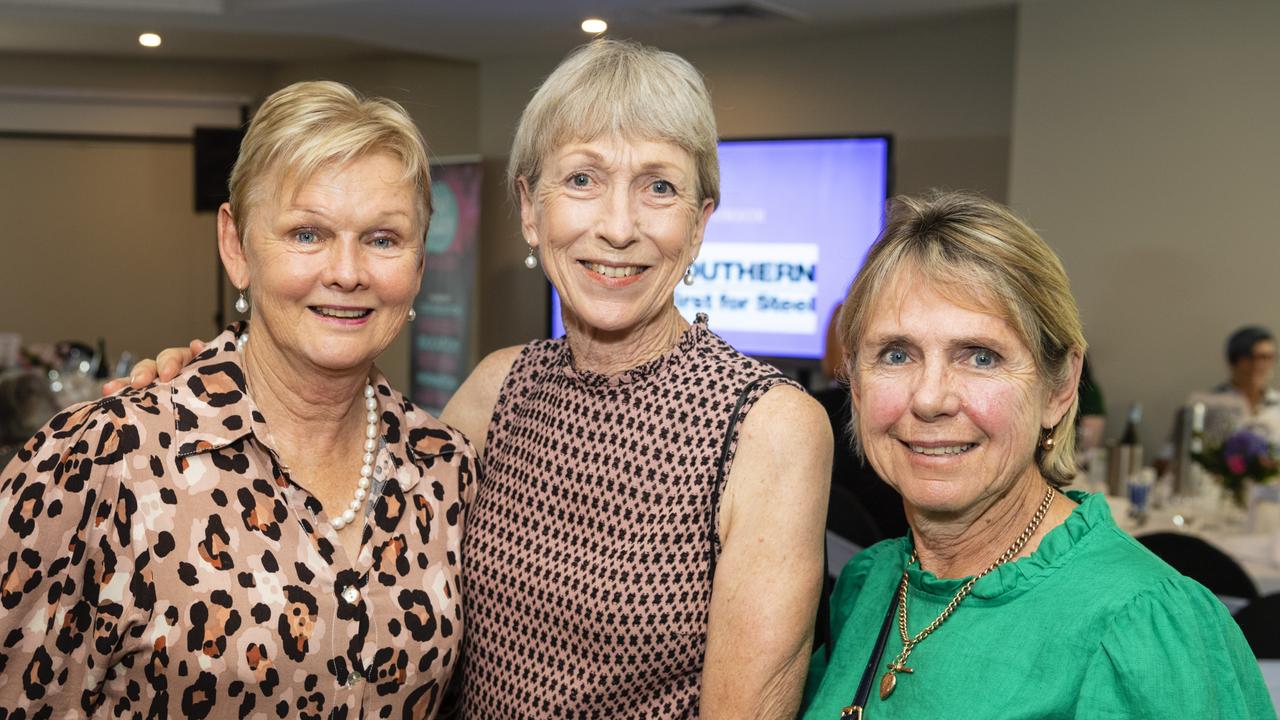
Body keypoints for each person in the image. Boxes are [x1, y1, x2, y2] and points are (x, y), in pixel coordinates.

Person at [114, 40, 832, 718]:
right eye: (582, 179)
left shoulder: (767, 428)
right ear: (528, 208)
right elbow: (345, 513)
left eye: (659, 187)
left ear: (700, 224)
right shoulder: (500, 390)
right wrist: (205, 385)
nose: (618, 225)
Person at [1, 81, 479, 718]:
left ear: (419, 264)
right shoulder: (106, 460)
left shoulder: (445, 470)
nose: (347, 271)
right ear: (236, 245)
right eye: (307, 234)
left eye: (383, 239)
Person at [801, 191, 1272, 718]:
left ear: (1059, 388)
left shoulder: (1141, 629)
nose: (930, 398)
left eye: (981, 356)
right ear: (856, 385)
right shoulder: (869, 586)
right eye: (895, 354)